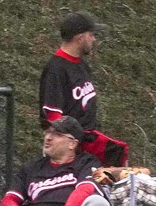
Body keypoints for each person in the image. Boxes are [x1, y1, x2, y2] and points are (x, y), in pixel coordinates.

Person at [38, 11, 128, 165]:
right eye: (91, 34)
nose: (94, 39)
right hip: (69, 147)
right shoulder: (56, 69)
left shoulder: (81, 65)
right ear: (80, 38)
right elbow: (53, 117)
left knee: (120, 160)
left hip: (86, 142)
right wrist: (68, 147)